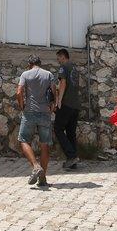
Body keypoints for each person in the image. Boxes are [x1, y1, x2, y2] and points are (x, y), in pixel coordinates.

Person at [16, 55, 56, 187]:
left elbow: (19, 92)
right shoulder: (48, 74)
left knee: (23, 140)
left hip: (30, 112)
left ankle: (35, 166)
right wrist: (52, 105)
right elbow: (53, 91)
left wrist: (22, 105)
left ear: (29, 64)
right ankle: (43, 179)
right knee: (45, 145)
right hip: (45, 112)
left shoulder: (25, 74)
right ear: (40, 63)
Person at [54, 48, 81, 170]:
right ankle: (73, 162)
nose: (58, 60)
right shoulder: (75, 69)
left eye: (58, 58)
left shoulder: (64, 67)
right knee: (71, 133)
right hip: (76, 105)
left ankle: (71, 155)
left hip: (66, 103)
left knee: (58, 128)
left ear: (63, 56)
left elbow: (63, 83)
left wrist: (59, 100)